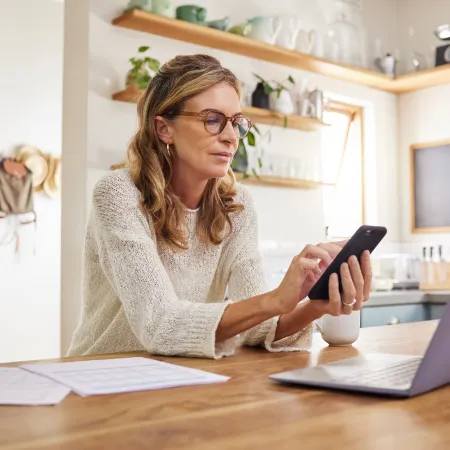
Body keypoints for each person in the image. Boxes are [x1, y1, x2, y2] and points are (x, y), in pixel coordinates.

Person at [67, 54, 372, 359]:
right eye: (212, 120)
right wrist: (278, 298)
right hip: (100, 375)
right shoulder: (118, 194)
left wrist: (315, 303)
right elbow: (161, 325)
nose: (230, 137)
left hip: (178, 378)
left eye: (237, 123)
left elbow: (256, 328)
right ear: (164, 129)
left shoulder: (237, 205)